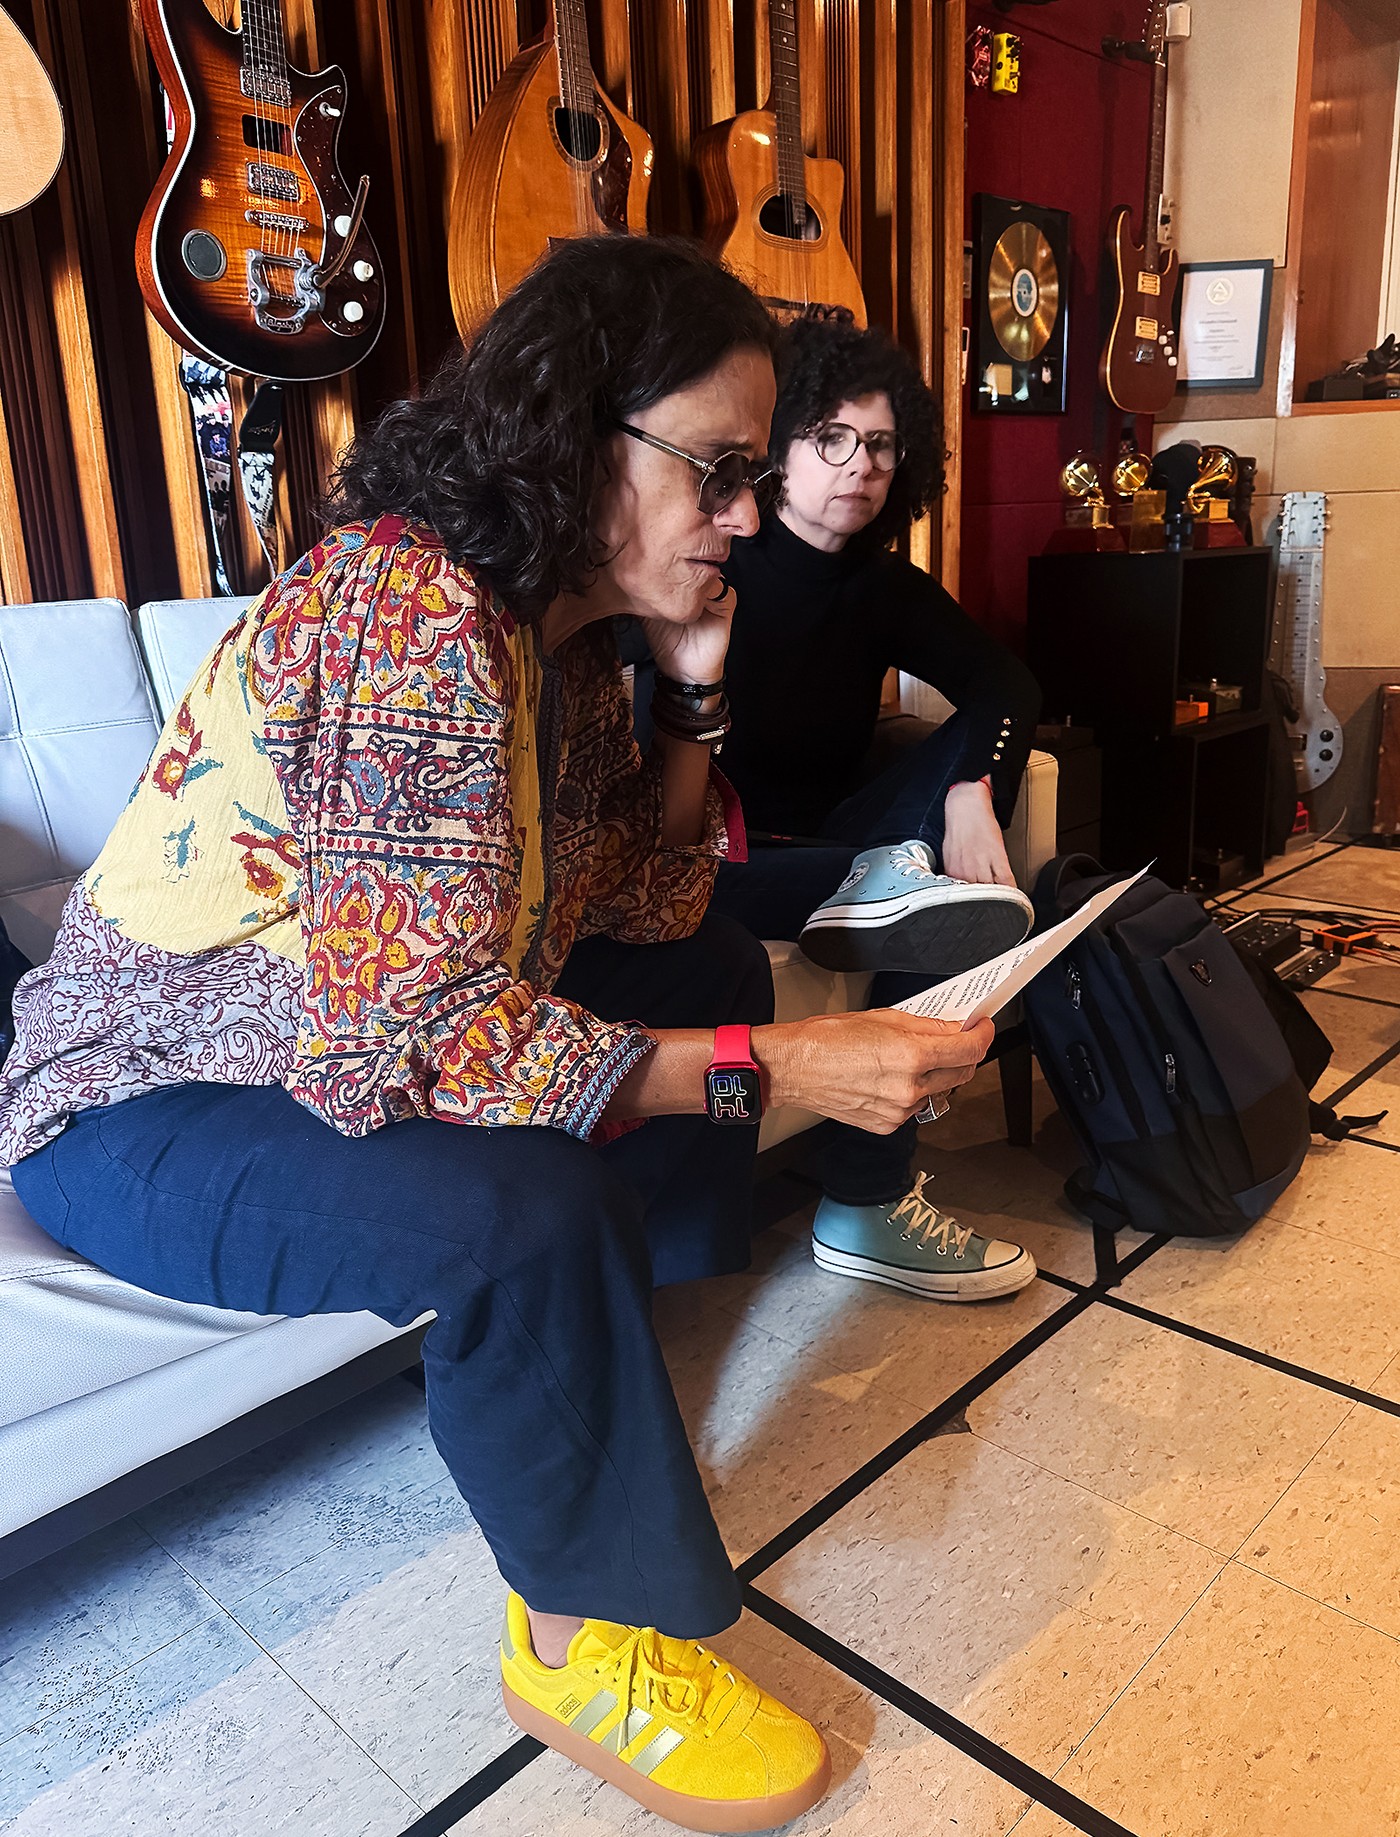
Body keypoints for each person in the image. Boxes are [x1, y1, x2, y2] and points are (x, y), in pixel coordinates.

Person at [0, 238, 994, 1835]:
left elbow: (653, 902)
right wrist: (784, 1068)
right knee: (529, 1208)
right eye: (720, 470)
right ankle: (579, 1638)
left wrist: (693, 697)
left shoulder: (563, 644)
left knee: (705, 962)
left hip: (323, 1050)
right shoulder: (408, 608)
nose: (749, 518)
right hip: (138, 1107)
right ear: (574, 429)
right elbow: (422, 1040)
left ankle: (613, 1351)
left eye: (754, 476)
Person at [708, 316, 1044, 1307]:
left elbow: (1006, 684)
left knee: (934, 838)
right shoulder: (714, 560)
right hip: (728, 858)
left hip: (845, 847)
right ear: (779, 447)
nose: (860, 464)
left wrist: (969, 790)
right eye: (832, 438)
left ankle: (893, 877)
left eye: (882, 445)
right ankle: (867, 1199)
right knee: (929, 892)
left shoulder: (881, 587)